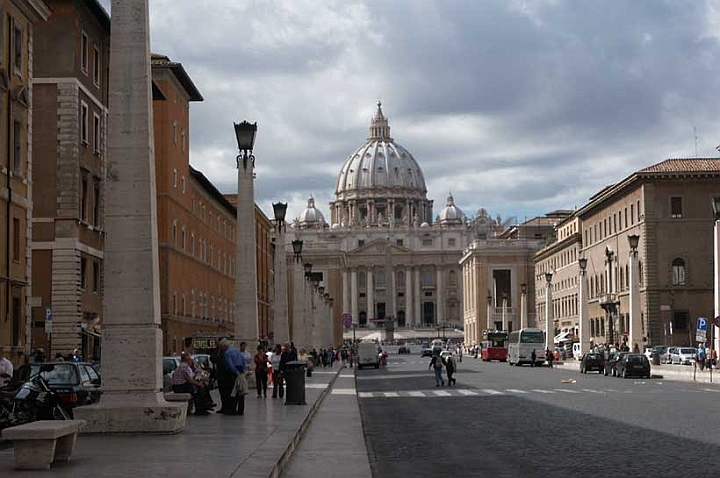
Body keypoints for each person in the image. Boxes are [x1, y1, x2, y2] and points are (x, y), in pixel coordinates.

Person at [226, 341, 248, 415]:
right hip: (241, 369)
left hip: (233, 372)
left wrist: (235, 371)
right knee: (241, 390)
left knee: (233, 390)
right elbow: (244, 361)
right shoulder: (238, 352)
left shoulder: (227, 352)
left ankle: (233, 409)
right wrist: (244, 370)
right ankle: (241, 410)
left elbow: (230, 364)